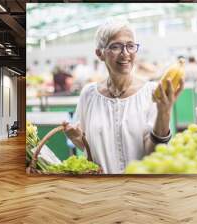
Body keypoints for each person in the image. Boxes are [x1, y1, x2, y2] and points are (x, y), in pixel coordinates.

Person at [61, 20, 184, 174]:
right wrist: (76, 138)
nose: (125, 53)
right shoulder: (88, 94)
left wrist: (164, 113)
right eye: (116, 46)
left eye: (130, 46)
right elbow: (88, 147)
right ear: (99, 53)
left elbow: (153, 153)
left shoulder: (151, 93)